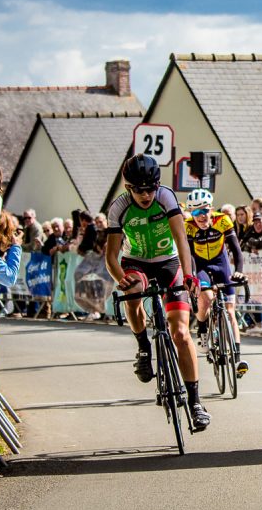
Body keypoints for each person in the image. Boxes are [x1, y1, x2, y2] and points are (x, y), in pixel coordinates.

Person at [104, 154, 210, 432]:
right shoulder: (119, 208)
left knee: (181, 334)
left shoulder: (166, 198)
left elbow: (181, 240)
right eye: (139, 190)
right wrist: (120, 279)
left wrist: (188, 274)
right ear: (129, 188)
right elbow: (111, 257)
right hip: (135, 262)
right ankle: (142, 347)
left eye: (150, 188)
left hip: (168, 261)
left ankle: (196, 402)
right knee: (134, 289)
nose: (146, 195)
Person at [183, 188, 249, 377]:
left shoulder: (223, 221)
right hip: (200, 264)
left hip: (221, 264)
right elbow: (189, 257)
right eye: (196, 212)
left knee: (229, 312)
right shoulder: (188, 226)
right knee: (206, 298)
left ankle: (237, 360)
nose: (201, 216)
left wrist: (239, 272)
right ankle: (202, 327)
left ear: (211, 209)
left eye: (204, 210)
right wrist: (194, 277)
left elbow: (236, 250)